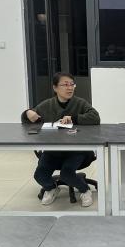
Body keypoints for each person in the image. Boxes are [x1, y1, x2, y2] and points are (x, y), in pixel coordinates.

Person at [21, 72, 101, 207]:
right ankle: (51, 188)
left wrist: (74, 118)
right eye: (65, 85)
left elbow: (95, 117)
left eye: (72, 84)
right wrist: (27, 113)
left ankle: (84, 190)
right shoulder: (47, 105)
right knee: (39, 175)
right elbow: (28, 120)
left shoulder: (80, 103)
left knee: (67, 173)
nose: (69, 88)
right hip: (53, 151)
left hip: (77, 151)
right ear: (55, 88)